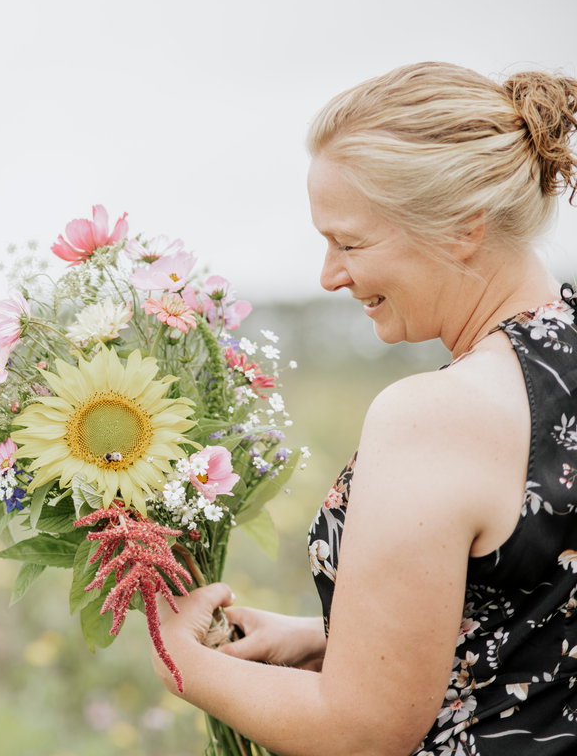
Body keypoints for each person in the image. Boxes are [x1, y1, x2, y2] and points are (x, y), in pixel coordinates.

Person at [152, 61, 577, 755]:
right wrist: (325, 638)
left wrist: (184, 663)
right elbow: (539, 614)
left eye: (350, 242)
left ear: (464, 228)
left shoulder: (436, 416)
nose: (330, 275)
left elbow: (362, 731)